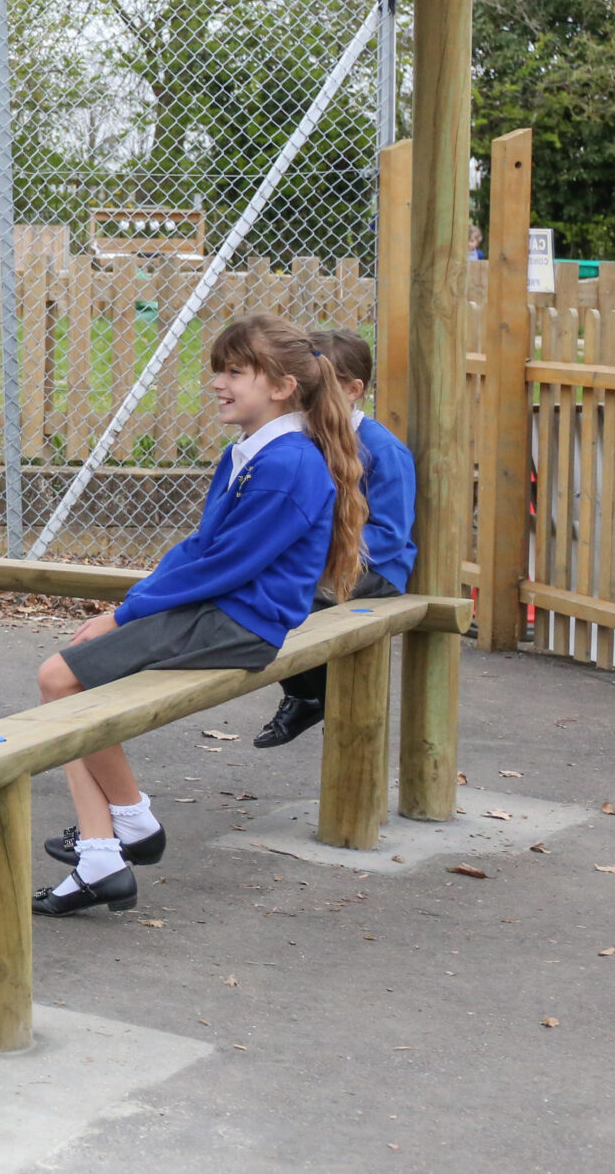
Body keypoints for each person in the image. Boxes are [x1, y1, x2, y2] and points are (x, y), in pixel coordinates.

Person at [32, 312, 366, 917]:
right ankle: (104, 854)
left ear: (283, 386)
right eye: (219, 370)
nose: (218, 382)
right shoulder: (250, 451)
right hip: (220, 610)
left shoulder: (287, 465)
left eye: (236, 371)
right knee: (65, 686)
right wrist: (131, 605)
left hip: (238, 623)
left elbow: (226, 566)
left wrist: (125, 615)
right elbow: (199, 547)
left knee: (59, 678)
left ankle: (130, 824)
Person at [253, 327, 416, 748]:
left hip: (375, 569)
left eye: (320, 387)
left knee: (298, 596)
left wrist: (321, 556)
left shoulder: (383, 449)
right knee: (259, 590)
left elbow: (391, 535)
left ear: (353, 389)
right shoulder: (301, 441)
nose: (308, 398)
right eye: (305, 387)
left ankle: (325, 698)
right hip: (319, 562)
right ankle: (306, 692)